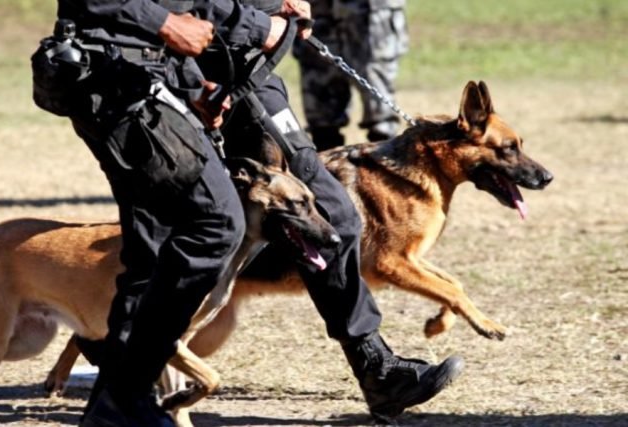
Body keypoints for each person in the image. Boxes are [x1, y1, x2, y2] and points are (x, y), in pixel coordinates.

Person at [39, 0, 461, 425]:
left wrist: (273, 9)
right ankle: (119, 393)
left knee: (331, 216)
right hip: (144, 71)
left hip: (231, 69)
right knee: (178, 235)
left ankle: (375, 366)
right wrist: (252, 24)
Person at [293, 0, 409, 149]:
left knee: (380, 116)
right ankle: (322, 167)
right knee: (321, 115)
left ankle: (383, 166)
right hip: (317, 9)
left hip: (369, 10)